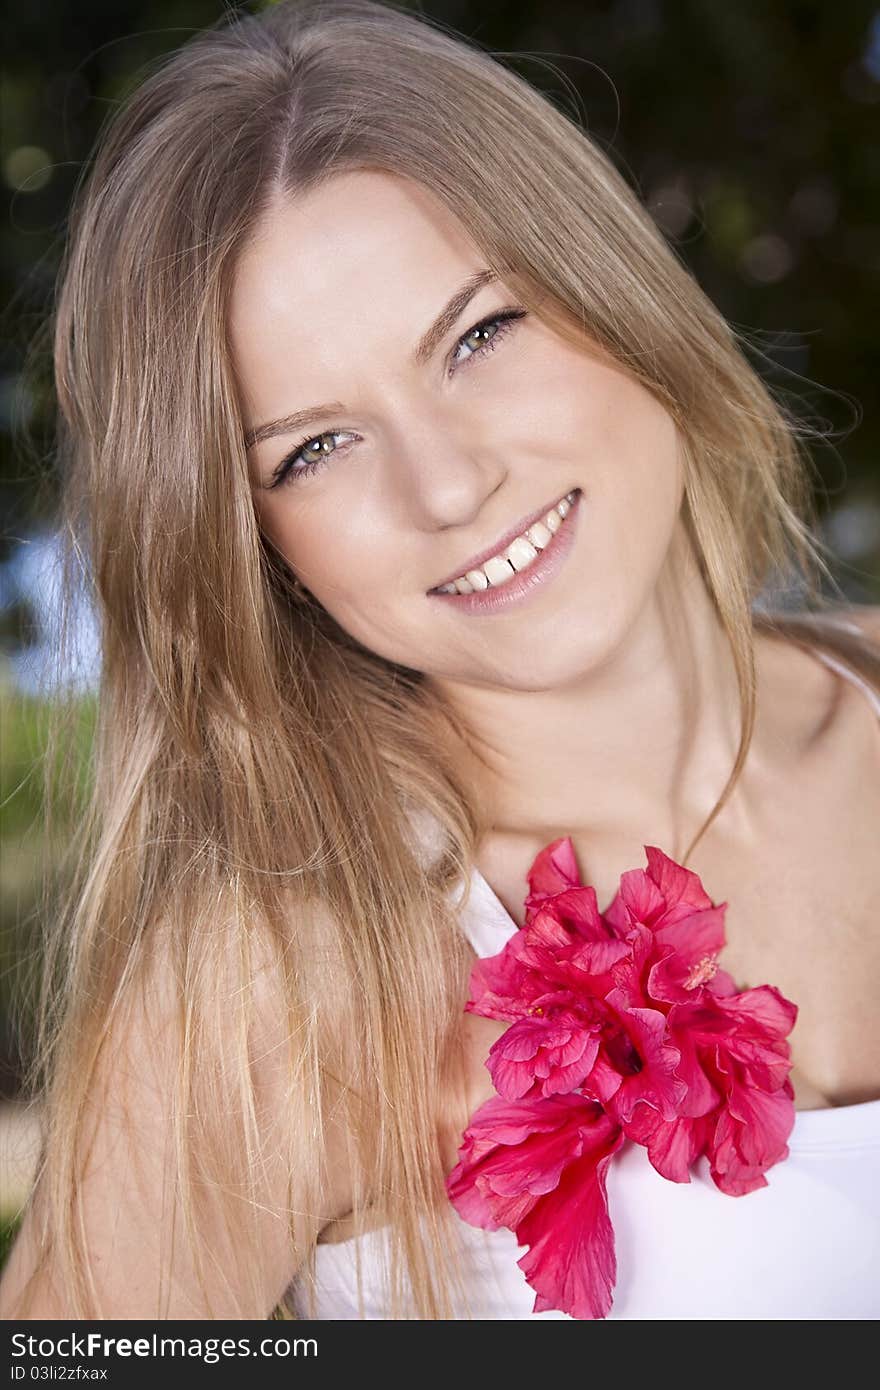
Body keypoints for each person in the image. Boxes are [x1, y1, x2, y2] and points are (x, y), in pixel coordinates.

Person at [1, 0, 878, 1321]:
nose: (451, 483)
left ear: (611, 283)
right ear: (254, 546)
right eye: (312, 448)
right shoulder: (277, 987)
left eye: (480, 334)